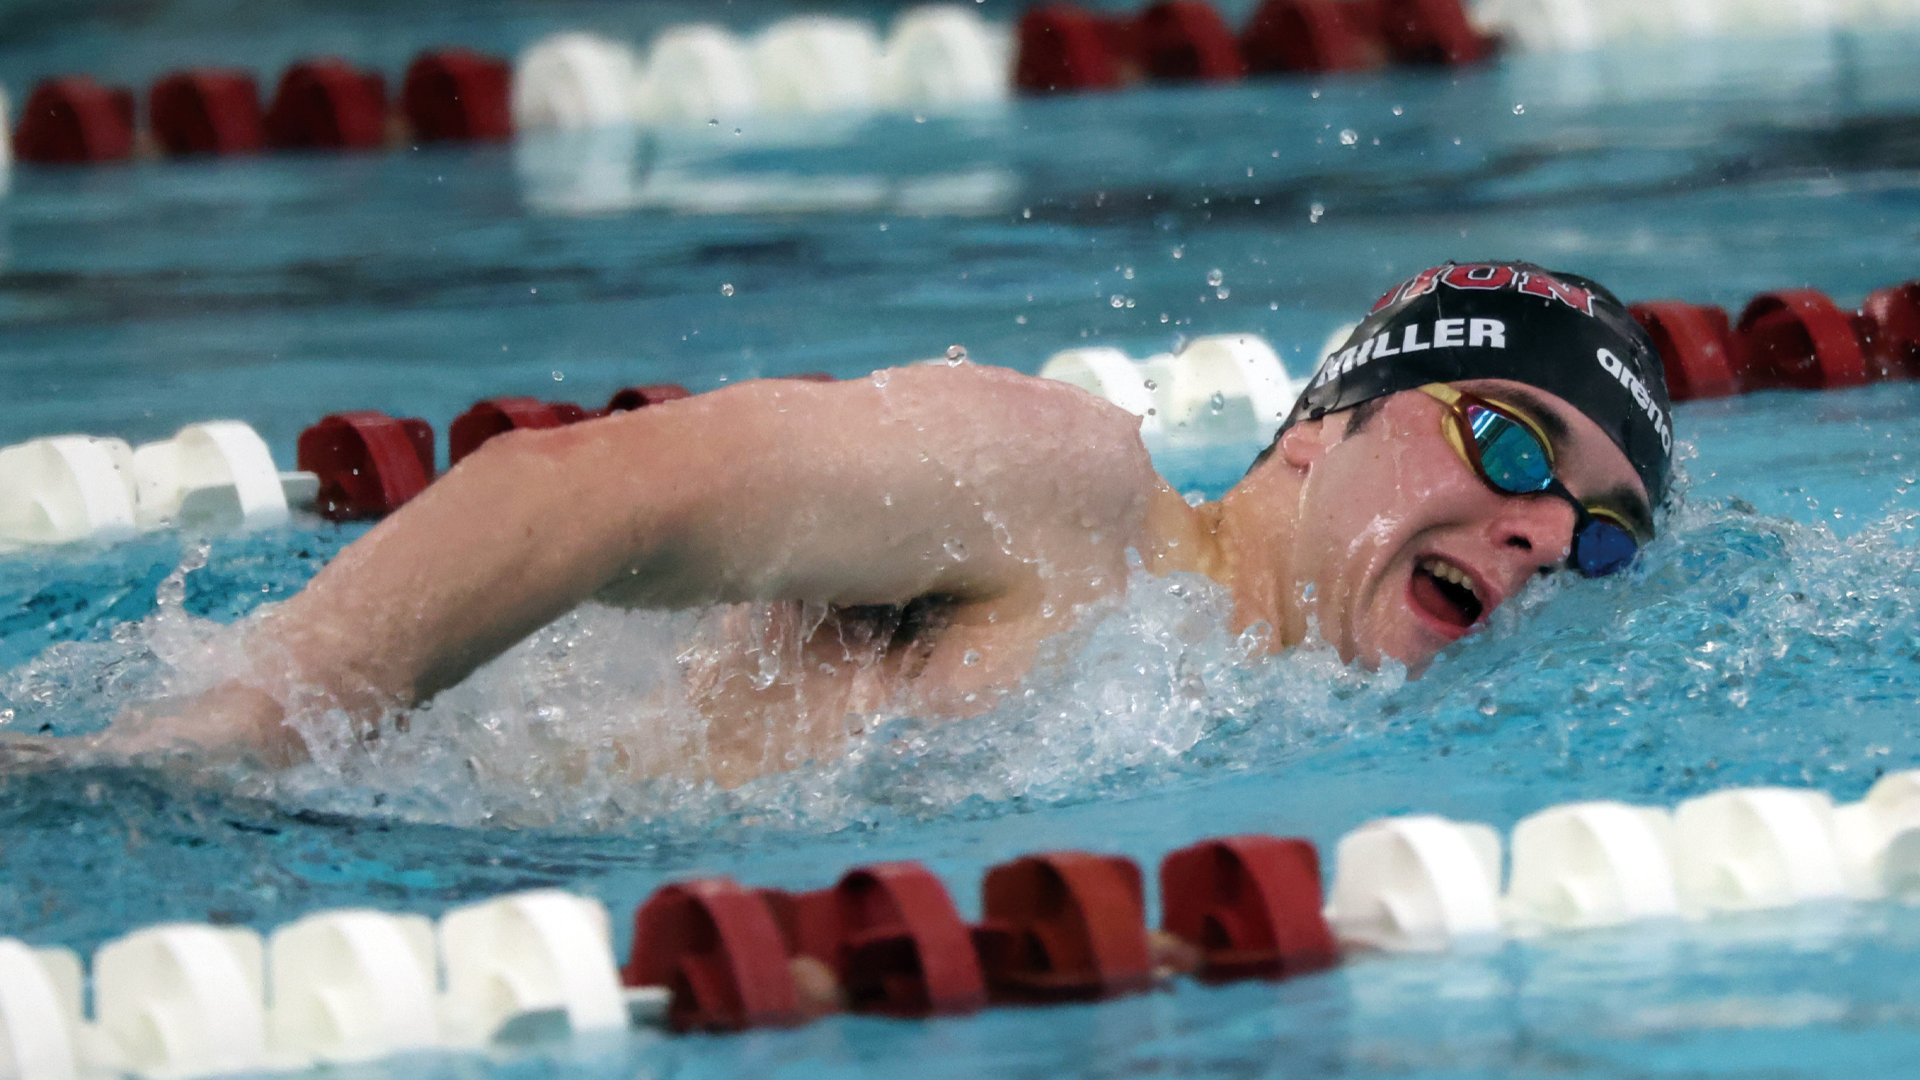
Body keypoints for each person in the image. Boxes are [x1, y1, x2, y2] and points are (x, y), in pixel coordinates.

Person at [18, 260, 1674, 787]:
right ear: (1320, 432)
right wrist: (238, 730)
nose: (1542, 537)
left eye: (1600, 530)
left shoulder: (1285, 724)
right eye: (1513, 446)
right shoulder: (1068, 501)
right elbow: (572, 492)